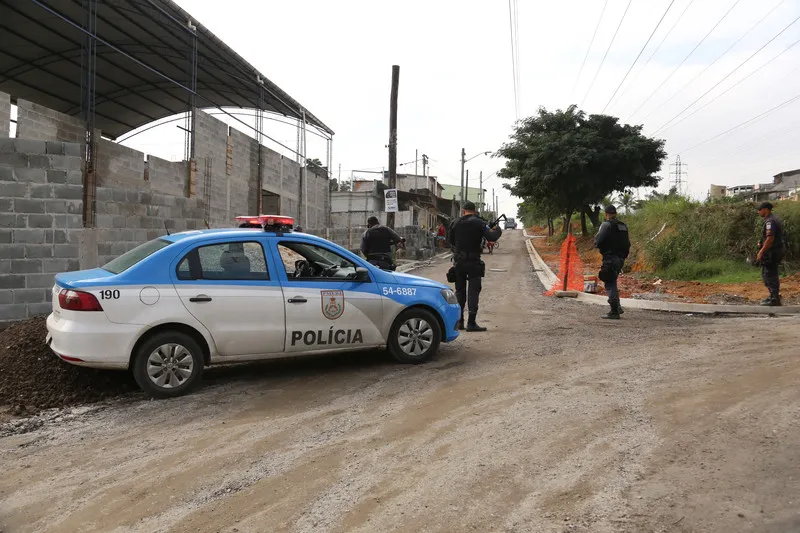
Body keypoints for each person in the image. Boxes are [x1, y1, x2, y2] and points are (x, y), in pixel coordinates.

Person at [448, 201, 502, 331]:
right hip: (473, 261)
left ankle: (460, 322)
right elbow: (492, 237)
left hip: (459, 261)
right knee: (473, 291)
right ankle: (471, 323)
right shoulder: (479, 222)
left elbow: (451, 241)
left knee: (460, 291)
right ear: (475, 211)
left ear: (463, 211)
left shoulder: (455, 223)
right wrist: (497, 229)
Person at [594, 205, 630, 320]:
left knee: (609, 281)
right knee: (613, 280)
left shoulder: (606, 225)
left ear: (606, 214)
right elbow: (627, 243)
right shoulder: (623, 226)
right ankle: (618, 307)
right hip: (621, 258)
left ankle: (614, 311)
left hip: (610, 257)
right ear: (615, 213)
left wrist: (598, 245)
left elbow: (598, 241)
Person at [756, 201, 784, 306]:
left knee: (769, 275)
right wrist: (761, 242)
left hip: (772, 252)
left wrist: (761, 251)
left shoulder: (770, 222)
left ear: (766, 210)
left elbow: (770, 239)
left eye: (760, 209)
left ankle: (774, 299)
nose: (758, 212)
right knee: (769, 274)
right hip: (774, 251)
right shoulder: (772, 219)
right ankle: (773, 296)